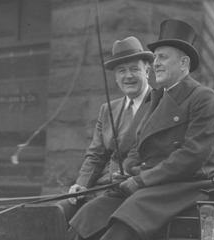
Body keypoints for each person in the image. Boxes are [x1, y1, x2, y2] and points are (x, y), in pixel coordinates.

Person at [65, 19, 214, 240]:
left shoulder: (203, 98)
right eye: (156, 58)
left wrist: (141, 180)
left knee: (133, 209)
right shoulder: (157, 98)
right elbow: (140, 147)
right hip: (156, 180)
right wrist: (126, 176)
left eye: (162, 58)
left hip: (193, 183)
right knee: (94, 209)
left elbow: (192, 156)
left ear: (184, 62)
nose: (157, 63)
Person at [66, 36, 155, 201]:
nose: (128, 76)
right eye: (122, 71)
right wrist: (81, 185)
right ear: (115, 77)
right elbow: (96, 155)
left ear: (147, 71)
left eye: (134, 69)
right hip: (100, 187)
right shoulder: (108, 109)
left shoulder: (160, 104)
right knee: (60, 211)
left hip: (134, 191)